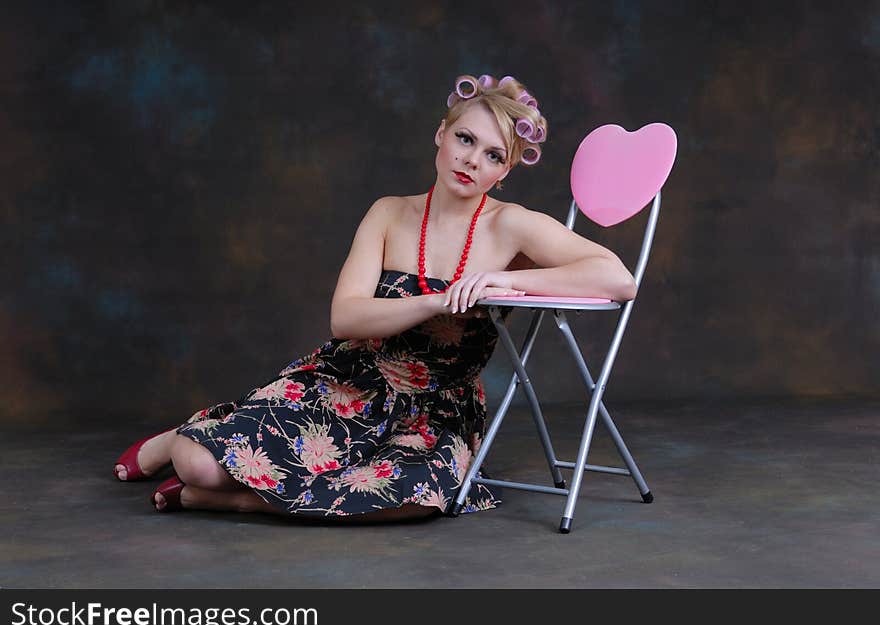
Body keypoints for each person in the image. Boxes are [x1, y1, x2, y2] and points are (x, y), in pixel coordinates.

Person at [113, 73, 638, 523]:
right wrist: (434, 302)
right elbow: (346, 318)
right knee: (196, 461)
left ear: (504, 172)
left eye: (493, 155)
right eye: (464, 139)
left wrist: (510, 282)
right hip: (349, 379)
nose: (472, 160)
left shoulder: (513, 225)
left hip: (436, 408)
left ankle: (232, 503)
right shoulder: (388, 212)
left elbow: (618, 278)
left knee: (418, 499)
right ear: (440, 134)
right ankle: (180, 443)